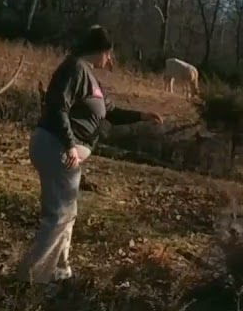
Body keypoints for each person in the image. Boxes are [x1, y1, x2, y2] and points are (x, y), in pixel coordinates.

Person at [16, 25, 163, 284]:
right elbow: (57, 105)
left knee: (67, 213)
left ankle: (60, 271)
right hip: (57, 146)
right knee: (59, 215)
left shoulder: (91, 78)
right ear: (101, 51)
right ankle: (31, 278)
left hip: (64, 150)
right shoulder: (74, 68)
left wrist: (142, 116)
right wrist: (70, 143)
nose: (110, 60)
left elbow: (111, 113)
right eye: (109, 54)